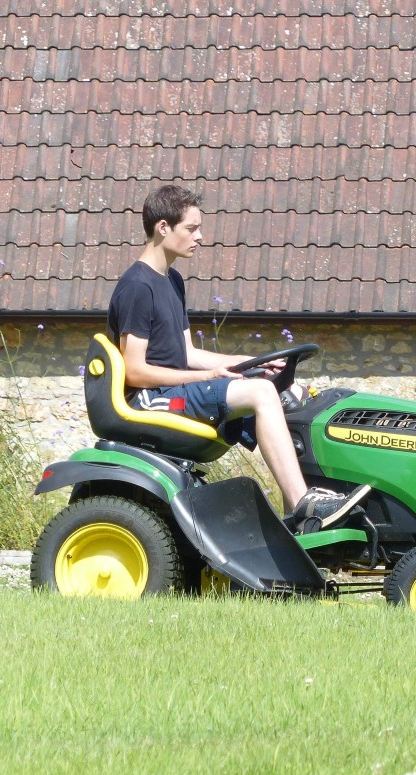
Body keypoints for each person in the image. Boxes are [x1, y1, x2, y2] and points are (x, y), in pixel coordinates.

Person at [107, 185, 369, 529]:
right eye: (191, 228)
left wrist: (249, 362)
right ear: (163, 228)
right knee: (261, 394)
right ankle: (302, 503)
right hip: (152, 399)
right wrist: (206, 377)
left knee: (288, 392)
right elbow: (135, 371)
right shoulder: (138, 286)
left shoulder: (171, 280)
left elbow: (186, 353)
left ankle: (324, 499)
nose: (199, 236)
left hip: (177, 391)